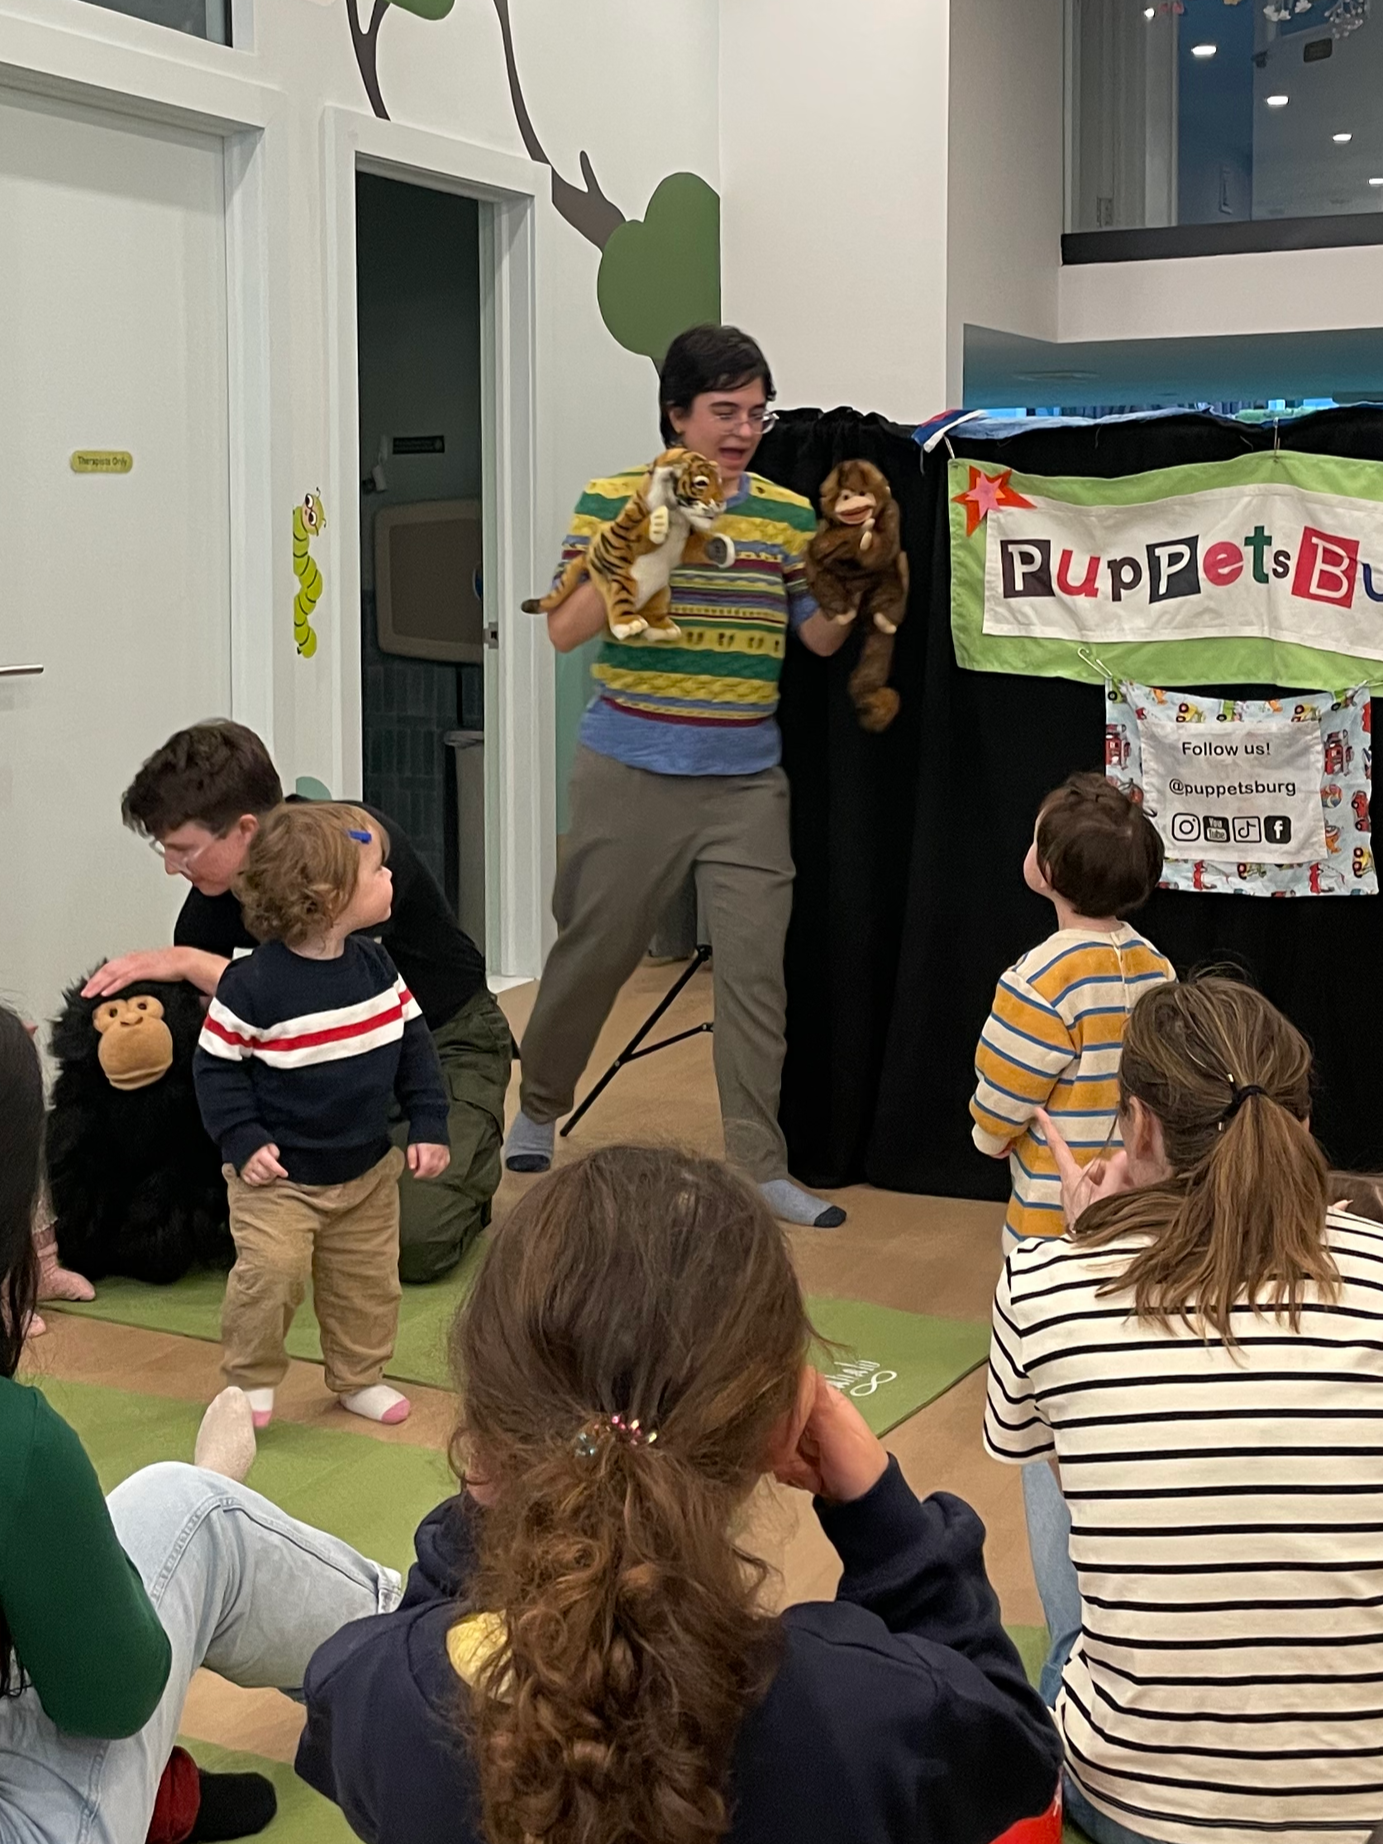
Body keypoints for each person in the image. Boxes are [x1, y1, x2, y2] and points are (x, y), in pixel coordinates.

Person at [295, 1142, 1061, 1844]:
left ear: (487, 1432)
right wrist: (887, 1529)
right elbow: (1013, 1755)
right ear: (781, 1423)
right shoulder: (871, 1709)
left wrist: (488, 1510)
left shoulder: (372, 1687)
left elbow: (427, 1636)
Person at [984, 975, 1383, 1844]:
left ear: (1141, 1127)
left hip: (1137, 1803)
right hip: (1363, 1805)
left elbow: (1080, 1468)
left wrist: (1091, 1237)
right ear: (1299, 1122)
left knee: (1063, 1448)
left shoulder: (1047, 1284)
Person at [0, 1000, 405, 1844]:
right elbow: (113, 1698)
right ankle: (441, 1657)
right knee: (198, 1511)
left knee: (168, 1509)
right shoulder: (19, 1444)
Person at [503, 325, 854, 1230]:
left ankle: (758, 1165)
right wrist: (656, 525)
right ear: (677, 414)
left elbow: (819, 637)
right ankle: (540, 1104)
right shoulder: (612, 496)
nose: (743, 430)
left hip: (746, 784)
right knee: (593, 953)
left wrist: (855, 570)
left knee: (753, 977)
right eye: (724, 411)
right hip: (629, 769)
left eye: (755, 412)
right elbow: (566, 628)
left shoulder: (784, 512)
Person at [83, 719, 511, 1284]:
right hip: (311, 1068)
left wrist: (189, 963)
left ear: (244, 828)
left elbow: (330, 978)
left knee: (413, 1242)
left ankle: (464, 1166)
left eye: (183, 849)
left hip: (435, 1046)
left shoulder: (344, 850)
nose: (171, 865)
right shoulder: (214, 894)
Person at [194, 804, 450, 1430]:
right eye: (375, 870)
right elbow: (216, 1070)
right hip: (276, 1181)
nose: (391, 875)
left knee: (368, 1283)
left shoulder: (376, 967)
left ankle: (359, 1376)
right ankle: (249, 1380)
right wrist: (242, 1138)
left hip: (365, 1174)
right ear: (327, 896)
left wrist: (429, 1121)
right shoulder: (251, 986)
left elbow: (414, 1048)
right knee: (269, 1277)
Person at [970, 772, 1173, 1245]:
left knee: (1044, 1301)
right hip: (1140, 1191)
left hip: (1056, 1199)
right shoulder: (1158, 968)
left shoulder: (1038, 980)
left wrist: (991, 1136)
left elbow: (1007, 1083)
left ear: (1049, 872)